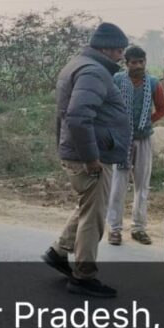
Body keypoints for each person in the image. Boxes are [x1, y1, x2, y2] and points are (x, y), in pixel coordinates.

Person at [42, 22, 131, 298]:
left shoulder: (80, 64)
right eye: (119, 50)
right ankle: (84, 276)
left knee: (89, 206)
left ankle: (58, 252)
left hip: (81, 152)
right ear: (105, 48)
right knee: (94, 217)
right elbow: (79, 117)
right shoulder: (93, 71)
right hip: (91, 157)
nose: (121, 56)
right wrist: (92, 158)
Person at [107, 45, 164, 246]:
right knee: (118, 186)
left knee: (142, 185)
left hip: (143, 139)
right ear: (127, 63)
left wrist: (146, 122)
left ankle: (139, 228)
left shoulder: (153, 83)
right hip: (121, 140)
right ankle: (114, 229)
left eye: (141, 62)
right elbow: (107, 105)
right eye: (134, 62)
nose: (138, 66)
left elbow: (163, 108)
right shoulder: (116, 80)